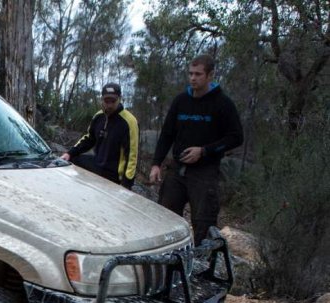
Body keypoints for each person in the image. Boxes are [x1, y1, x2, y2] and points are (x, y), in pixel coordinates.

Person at [150, 54, 243, 244]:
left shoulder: (222, 103)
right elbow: (167, 134)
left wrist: (204, 151)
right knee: (164, 216)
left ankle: (201, 266)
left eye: (198, 74)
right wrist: (156, 164)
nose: (193, 78)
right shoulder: (181, 101)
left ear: (210, 75)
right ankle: (165, 262)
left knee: (204, 222)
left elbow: (236, 137)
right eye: (191, 73)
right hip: (177, 169)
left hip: (204, 172)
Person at [62, 83, 139, 188]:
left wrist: (126, 184)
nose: (110, 105)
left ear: (120, 99)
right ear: (102, 99)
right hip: (98, 165)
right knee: (73, 160)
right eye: (107, 101)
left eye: (113, 101)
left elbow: (132, 156)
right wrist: (70, 153)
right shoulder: (99, 116)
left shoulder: (129, 121)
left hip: (114, 174)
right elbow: (89, 138)